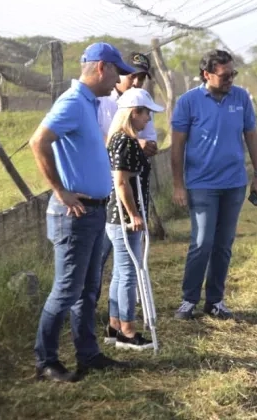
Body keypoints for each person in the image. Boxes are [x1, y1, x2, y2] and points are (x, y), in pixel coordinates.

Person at [30, 42, 136, 382]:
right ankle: (45, 361)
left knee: (88, 289)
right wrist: (60, 190)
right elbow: (39, 141)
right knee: (66, 290)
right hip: (72, 214)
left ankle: (88, 354)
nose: (120, 78)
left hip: (92, 211)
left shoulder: (90, 104)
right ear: (102, 68)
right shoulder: (74, 102)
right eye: (117, 71)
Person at [171, 49, 257, 321]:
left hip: (234, 184)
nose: (230, 80)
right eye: (225, 76)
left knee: (224, 244)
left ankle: (215, 301)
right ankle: (189, 299)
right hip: (201, 183)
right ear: (207, 74)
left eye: (233, 74)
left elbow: (251, 135)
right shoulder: (188, 102)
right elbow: (177, 145)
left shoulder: (241, 98)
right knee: (202, 241)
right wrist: (179, 184)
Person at [102, 88, 164, 350]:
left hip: (116, 217)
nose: (148, 119)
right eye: (146, 113)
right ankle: (128, 331)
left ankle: (114, 325)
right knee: (128, 272)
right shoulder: (126, 142)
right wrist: (135, 215)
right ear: (133, 113)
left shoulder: (119, 139)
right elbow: (121, 182)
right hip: (124, 218)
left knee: (119, 272)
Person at [95, 51, 157, 306]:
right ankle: (97, 310)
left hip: (129, 188)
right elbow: (102, 142)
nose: (136, 82)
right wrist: (130, 144)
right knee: (101, 256)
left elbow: (150, 140)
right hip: (104, 190)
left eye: (141, 78)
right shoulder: (102, 101)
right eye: (132, 76)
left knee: (124, 264)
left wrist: (144, 144)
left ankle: (119, 316)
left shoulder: (143, 103)